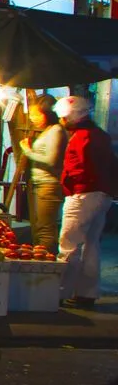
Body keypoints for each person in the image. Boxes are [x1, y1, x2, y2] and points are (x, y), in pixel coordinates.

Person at [57, 94, 116, 309]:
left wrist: (69, 186)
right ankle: (86, 294)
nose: (62, 121)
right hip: (102, 195)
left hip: (82, 195)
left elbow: (80, 169)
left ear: (71, 117)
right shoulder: (100, 135)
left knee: (69, 244)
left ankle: (59, 293)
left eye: (63, 118)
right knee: (91, 245)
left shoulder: (82, 138)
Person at [17, 94, 65, 254]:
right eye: (31, 114)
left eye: (36, 114)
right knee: (38, 227)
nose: (32, 118)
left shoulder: (56, 130)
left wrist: (28, 151)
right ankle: (39, 261)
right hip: (39, 184)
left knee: (45, 228)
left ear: (48, 113)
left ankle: (47, 264)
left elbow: (51, 160)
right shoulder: (48, 130)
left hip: (48, 185)